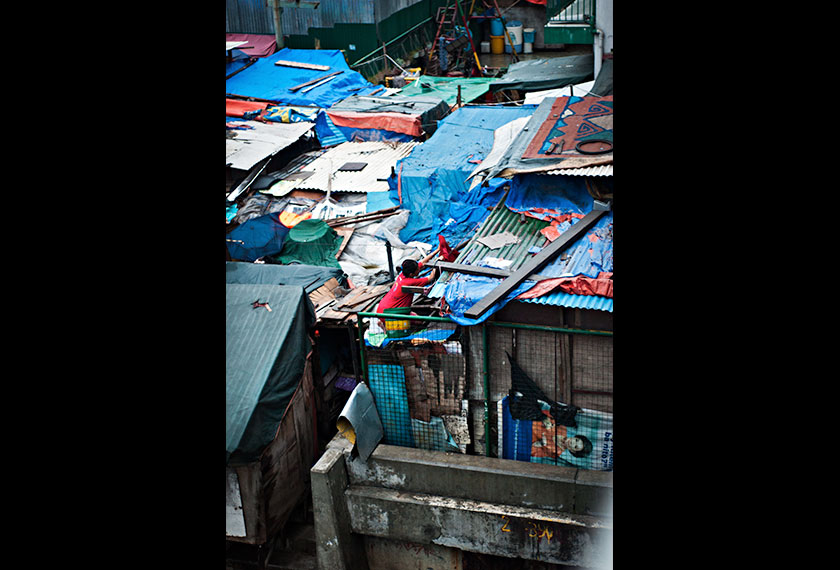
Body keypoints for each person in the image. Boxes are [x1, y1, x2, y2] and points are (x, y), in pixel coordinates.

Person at [375, 258, 440, 314]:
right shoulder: (409, 282)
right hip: (390, 312)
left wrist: (437, 250)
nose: (419, 269)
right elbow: (431, 277)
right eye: (418, 270)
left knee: (413, 314)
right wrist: (436, 264)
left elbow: (422, 262)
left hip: (382, 307)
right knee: (418, 321)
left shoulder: (402, 275)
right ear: (411, 274)